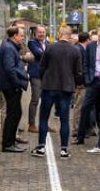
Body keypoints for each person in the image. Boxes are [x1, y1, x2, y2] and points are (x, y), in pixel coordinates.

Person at [33, 25, 83, 159]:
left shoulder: (50, 47)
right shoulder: (75, 50)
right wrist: (75, 83)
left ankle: (41, 147)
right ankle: (64, 150)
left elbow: (41, 67)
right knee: (64, 119)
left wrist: (44, 79)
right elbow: (78, 72)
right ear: (70, 35)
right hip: (66, 88)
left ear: (59, 34)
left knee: (44, 117)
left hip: (49, 86)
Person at [75, 24, 100, 145]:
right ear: (98, 32)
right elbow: (85, 63)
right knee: (85, 108)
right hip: (92, 81)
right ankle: (80, 137)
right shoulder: (90, 46)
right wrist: (86, 79)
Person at [0, 26, 29, 153]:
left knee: (16, 113)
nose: (23, 38)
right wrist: (17, 83)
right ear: (15, 36)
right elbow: (10, 69)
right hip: (11, 86)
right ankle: (8, 144)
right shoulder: (9, 48)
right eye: (21, 35)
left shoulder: (9, 46)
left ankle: (11, 141)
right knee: (13, 114)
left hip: (10, 85)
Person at [26, 24, 50, 133]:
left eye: (43, 32)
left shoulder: (48, 43)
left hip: (46, 76)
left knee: (46, 101)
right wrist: (49, 55)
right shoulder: (32, 43)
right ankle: (31, 125)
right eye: (39, 32)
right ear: (35, 33)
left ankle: (44, 125)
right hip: (36, 75)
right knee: (35, 99)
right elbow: (38, 54)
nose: (41, 34)